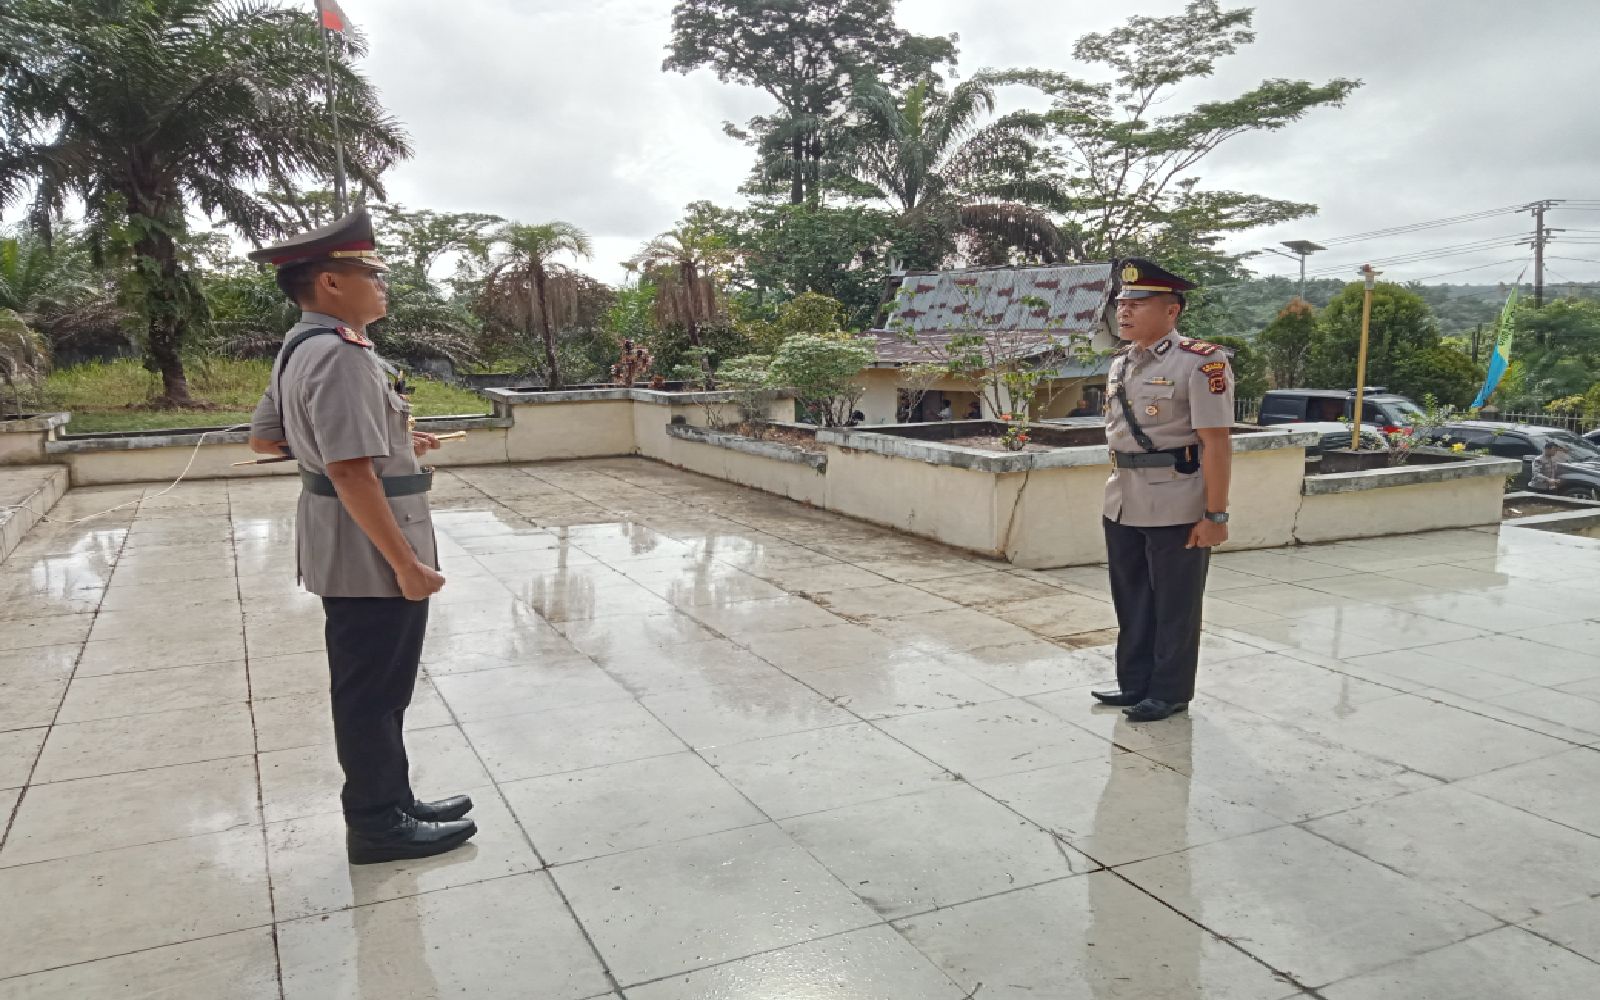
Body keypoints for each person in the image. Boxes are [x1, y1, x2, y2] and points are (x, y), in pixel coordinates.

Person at [245, 210, 477, 864]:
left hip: (344, 540)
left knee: (378, 687)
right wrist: (406, 565)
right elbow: (348, 471)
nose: (382, 285)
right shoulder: (341, 356)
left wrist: (391, 439)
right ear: (329, 282)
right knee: (373, 692)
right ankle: (377, 825)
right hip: (371, 549)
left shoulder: (300, 347)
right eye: (370, 275)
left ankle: (394, 800)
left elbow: (266, 438)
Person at [1090, 259, 1234, 723]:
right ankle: (1134, 683)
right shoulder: (1121, 364)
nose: (1124, 312)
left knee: (1176, 604)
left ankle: (1170, 692)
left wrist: (1216, 515)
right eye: (1121, 303)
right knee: (1131, 598)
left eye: (1137, 303)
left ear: (1171, 311)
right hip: (1122, 498)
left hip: (1177, 500)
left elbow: (1216, 443)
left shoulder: (1201, 362)